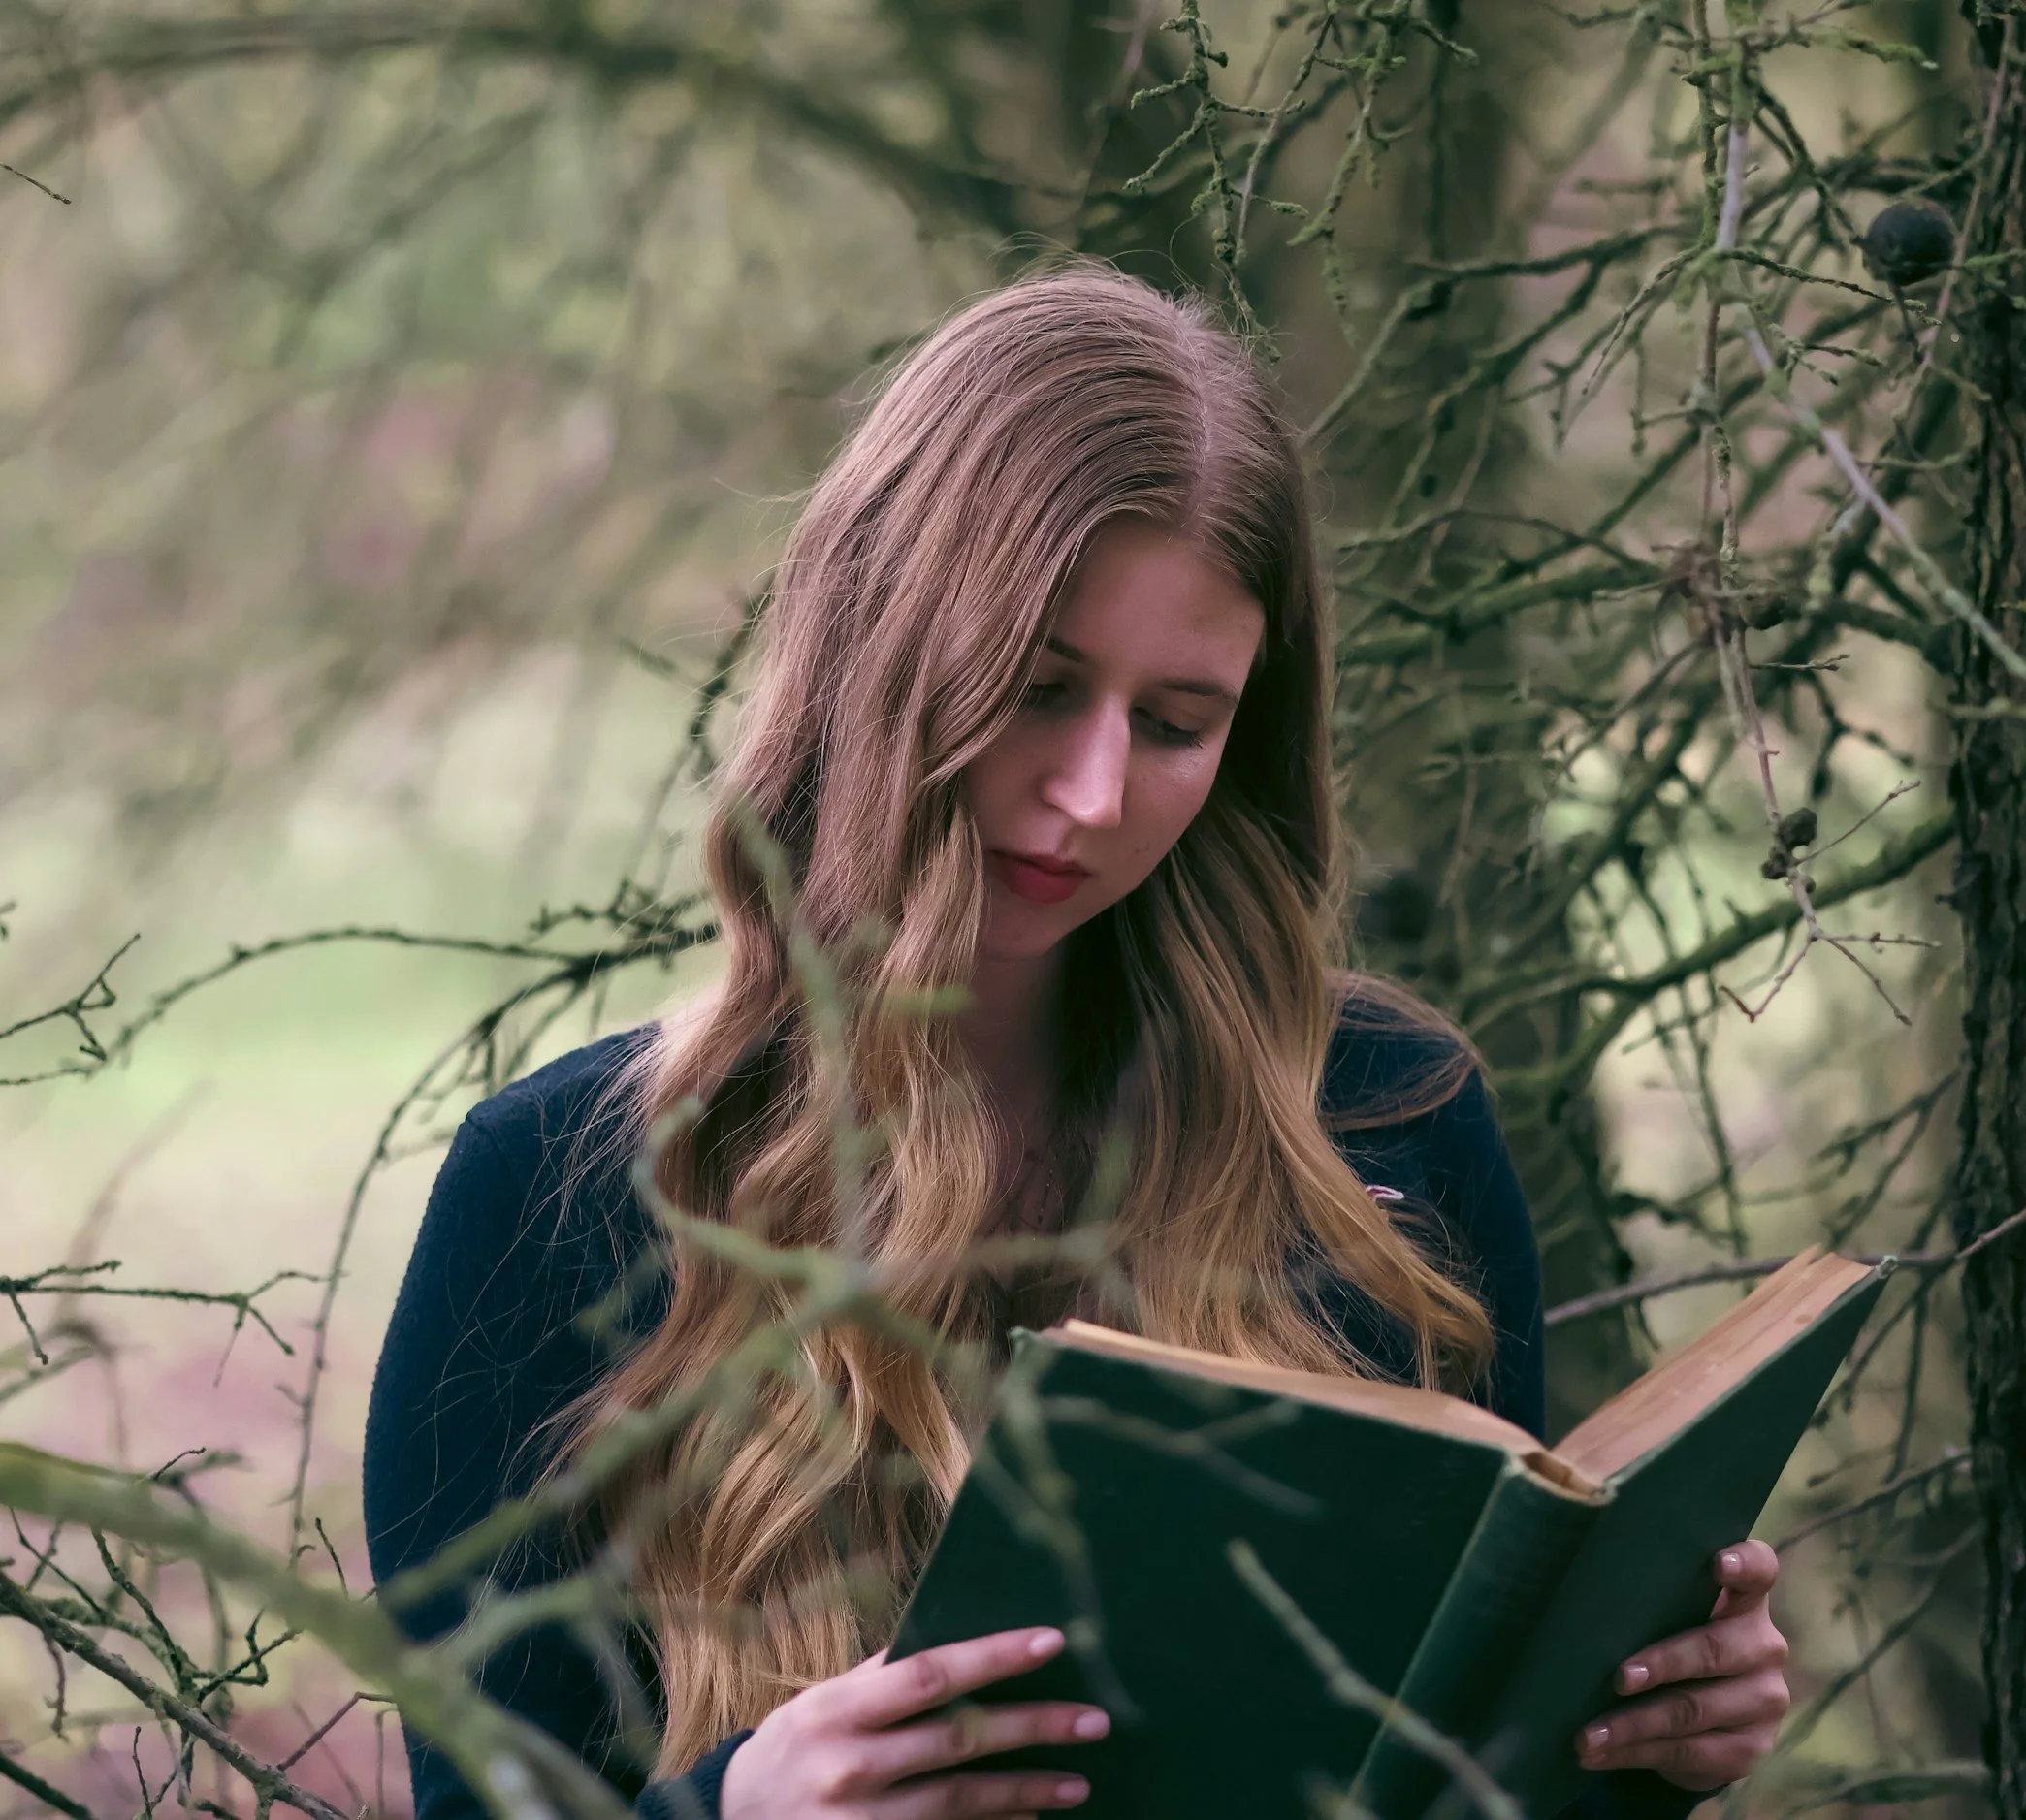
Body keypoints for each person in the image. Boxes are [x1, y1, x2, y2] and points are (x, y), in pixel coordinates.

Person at [363, 267, 1792, 1820]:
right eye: (1041, 689)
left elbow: (1459, 1771)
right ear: (883, 650)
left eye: (1178, 723)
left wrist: (1643, 1745)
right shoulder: (556, 1197)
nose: (1098, 795)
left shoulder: (1388, 1126)